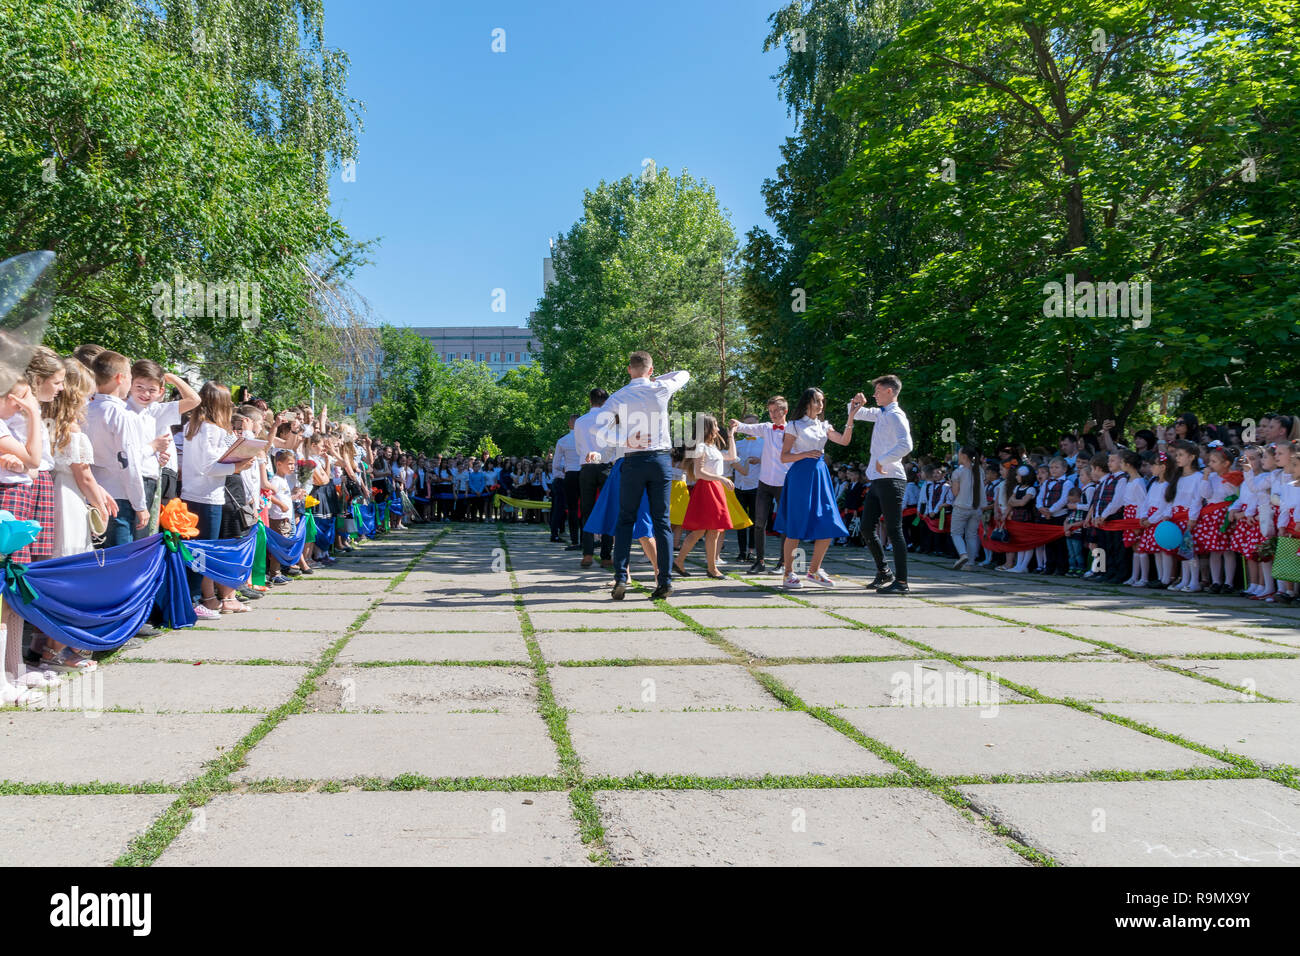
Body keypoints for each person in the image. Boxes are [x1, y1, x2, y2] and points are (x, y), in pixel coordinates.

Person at [604, 351, 689, 601]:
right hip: (660, 460)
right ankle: (664, 581)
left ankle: (621, 576)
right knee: (661, 521)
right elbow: (685, 374)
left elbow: (598, 428)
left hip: (632, 460)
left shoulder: (618, 396)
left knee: (625, 519)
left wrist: (623, 439)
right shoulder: (661, 388)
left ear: (629, 369)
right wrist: (651, 378)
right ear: (651, 370)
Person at [774, 388, 861, 588]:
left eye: (822, 401)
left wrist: (851, 416)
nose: (821, 405)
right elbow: (784, 456)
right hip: (800, 477)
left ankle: (814, 571)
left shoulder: (824, 426)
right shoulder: (794, 425)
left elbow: (844, 441)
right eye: (817, 401)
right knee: (795, 526)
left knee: (828, 521)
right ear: (807, 403)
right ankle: (788, 573)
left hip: (820, 476)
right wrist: (804, 454)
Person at [852, 375, 914, 594]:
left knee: (894, 530)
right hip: (878, 479)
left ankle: (903, 582)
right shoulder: (880, 413)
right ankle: (884, 572)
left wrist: (883, 459)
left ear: (890, 391)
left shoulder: (896, 415)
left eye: (877, 391)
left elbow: (907, 444)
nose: (874, 394)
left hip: (892, 478)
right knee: (867, 527)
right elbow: (857, 414)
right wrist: (856, 403)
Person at [83, 350, 149, 548]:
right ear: (120, 378)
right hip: (118, 498)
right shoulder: (121, 414)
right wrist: (140, 505)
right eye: (130, 377)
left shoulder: (86, 409)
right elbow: (129, 462)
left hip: (89, 492)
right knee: (118, 563)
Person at [674, 416, 740, 579]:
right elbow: (698, 472)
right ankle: (685, 562)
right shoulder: (701, 447)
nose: (718, 429)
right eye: (716, 425)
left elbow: (732, 456)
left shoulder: (712, 447)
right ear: (707, 428)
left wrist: (731, 435)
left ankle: (708, 567)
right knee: (701, 531)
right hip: (707, 489)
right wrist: (722, 478)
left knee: (713, 531)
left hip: (714, 488)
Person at [732, 397, 791, 575]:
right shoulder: (766, 428)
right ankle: (760, 561)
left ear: (784, 411)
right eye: (770, 411)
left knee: (785, 524)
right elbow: (748, 427)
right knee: (759, 523)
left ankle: (783, 562)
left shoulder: (793, 430)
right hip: (764, 482)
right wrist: (737, 424)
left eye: (776, 411)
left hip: (783, 482)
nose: (772, 415)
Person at [574, 388, 613, 568]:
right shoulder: (611, 420)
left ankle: (587, 553)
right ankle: (606, 555)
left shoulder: (580, 421)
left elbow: (579, 447)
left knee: (587, 510)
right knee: (607, 510)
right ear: (605, 401)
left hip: (587, 466)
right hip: (606, 466)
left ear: (590, 401)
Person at [948, 446, 982, 570]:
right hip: (976, 507)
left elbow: (956, 492)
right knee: (971, 535)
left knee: (956, 533)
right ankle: (970, 563)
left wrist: (952, 485)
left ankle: (963, 555)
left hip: (961, 506)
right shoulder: (979, 470)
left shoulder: (958, 471)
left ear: (963, 456)